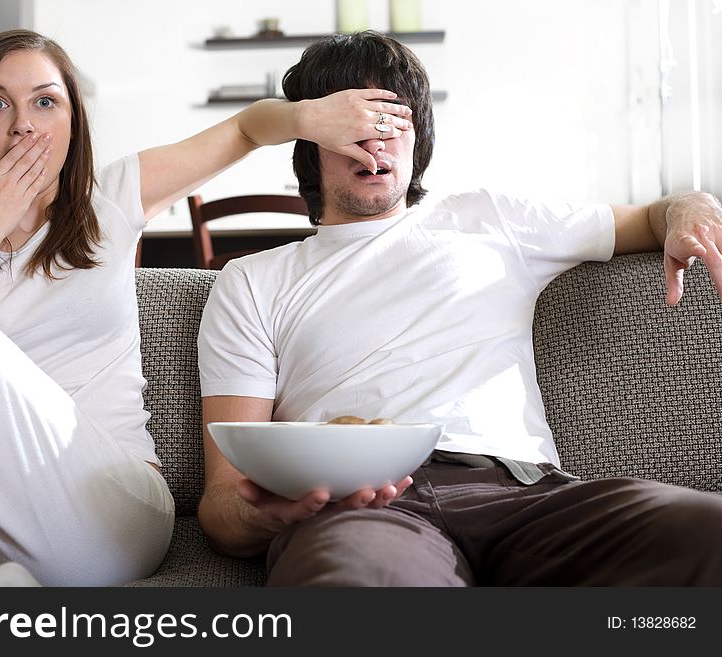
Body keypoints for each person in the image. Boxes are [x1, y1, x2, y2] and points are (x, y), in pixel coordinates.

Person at [0, 29, 414, 587]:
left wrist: (303, 120)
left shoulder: (108, 200)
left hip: (107, 502)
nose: (23, 123)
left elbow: (243, 129)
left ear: (73, 122)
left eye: (45, 101)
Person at [196, 31, 722, 586]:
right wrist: (269, 511)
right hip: (364, 508)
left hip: (527, 495)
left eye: (393, 121)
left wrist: (693, 210)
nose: (374, 144)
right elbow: (223, 506)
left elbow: (654, 214)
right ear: (308, 140)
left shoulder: (491, 218)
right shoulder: (251, 281)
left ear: (417, 136)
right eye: (351, 124)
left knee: (707, 533)